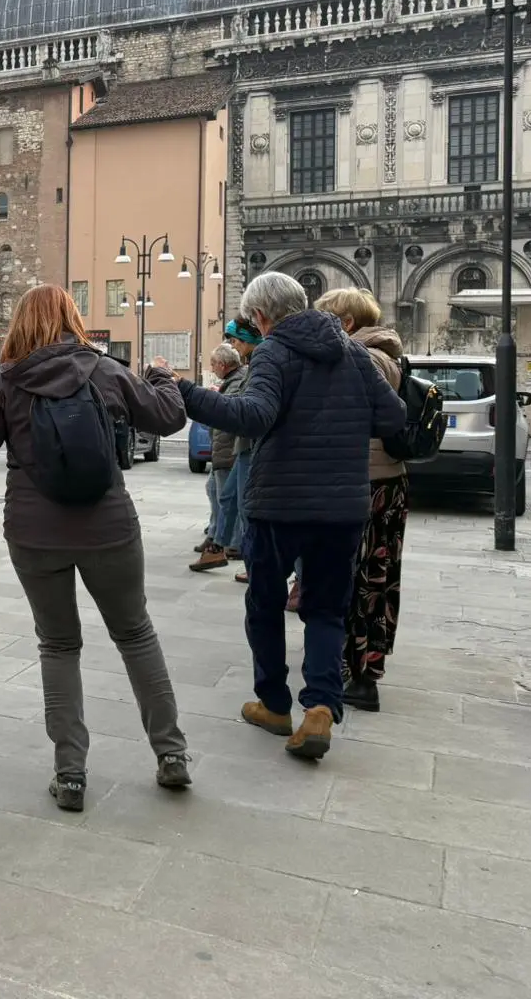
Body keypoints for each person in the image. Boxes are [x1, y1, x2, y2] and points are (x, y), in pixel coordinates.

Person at [0, 284, 190, 811]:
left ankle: (70, 773)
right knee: (135, 634)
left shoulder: (7, 382)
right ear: (71, 317)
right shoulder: (104, 369)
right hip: (108, 526)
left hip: (34, 533)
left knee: (59, 645)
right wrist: (161, 376)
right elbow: (168, 417)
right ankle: (171, 754)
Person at [180, 272, 405, 761]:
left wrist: (189, 395)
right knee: (325, 610)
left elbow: (255, 416)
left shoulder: (273, 353)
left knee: (264, 605)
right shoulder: (353, 353)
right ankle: (321, 708)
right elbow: (391, 417)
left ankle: (275, 706)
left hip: (279, 505)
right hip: (343, 506)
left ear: (260, 316)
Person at [315, 287, 407, 713]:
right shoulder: (389, 356)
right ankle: (368, 667)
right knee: (380, 577)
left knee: (355, 579)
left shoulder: (361, 357)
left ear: (346, 324)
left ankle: (358, 675)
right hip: (389, 481)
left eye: (326, 321)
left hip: (362, 481)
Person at [191, 343, 244, 572]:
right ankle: (217, 542)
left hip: (232, 451)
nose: (212, 368)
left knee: (229, 498)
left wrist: (208, 399)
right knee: (220, 494)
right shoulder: (233, 381)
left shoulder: (239, 380)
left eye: (213, 364)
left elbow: (228, 413)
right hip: (228, 450)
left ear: (222, 365)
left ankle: (228, 544)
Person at [220, 318, 262, 582]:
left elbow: (250, 405)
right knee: (228, 497)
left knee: (247, 508)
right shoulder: (252, 363)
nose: (234, 346)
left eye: (235, 340)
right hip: (244, 446)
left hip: (250, 445)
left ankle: (253, 563)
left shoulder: (260, 361)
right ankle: (220, 545)